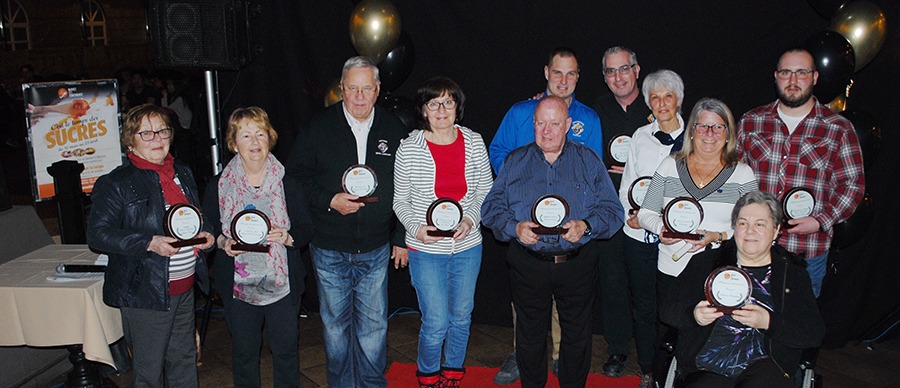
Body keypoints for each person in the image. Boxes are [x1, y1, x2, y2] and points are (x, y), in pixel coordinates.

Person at [482, 96, 623, 388]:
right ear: (533, 124)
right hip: (528, 262)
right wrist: (514, 228)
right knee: (529, 334)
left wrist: (586, 226)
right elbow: (490, 209)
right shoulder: (515, 161)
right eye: (541, 123)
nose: (547, 131)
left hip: (576, 263)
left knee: (577, 335)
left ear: (568, 125)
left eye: (555, 123)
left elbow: (613, 211)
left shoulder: (588, 161)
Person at [285, 56, 408, 388]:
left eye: (366, 88)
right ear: (341, 89)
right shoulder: (317, 128)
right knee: (335, 328)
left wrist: (400, 236)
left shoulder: (394, 130)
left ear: (378, 89)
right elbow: (294, 179)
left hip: (376, 248)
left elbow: (407, 187)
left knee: (374, 329)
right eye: (352, 88)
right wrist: (329, 200)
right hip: (329, 248)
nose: (359, 96)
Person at [87, 104, 215, 387]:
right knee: (149, 373)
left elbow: (196, 216)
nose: (157, 138)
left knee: (184, 362)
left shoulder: (182, 172)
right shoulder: (116, 182)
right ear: (130, 140)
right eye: (146, 133)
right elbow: (97, 234)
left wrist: (208, 233)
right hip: (146, 292)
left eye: (162, 131)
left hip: (185, 287)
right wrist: (149, 242)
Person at [636, 97, 758, 382]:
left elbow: (755, 225)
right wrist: (662, 229)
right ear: (691, 131)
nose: (709, 134)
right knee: (667, 334)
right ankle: (660, 380)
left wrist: (720, 236)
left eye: (718, 127)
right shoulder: (669, 165)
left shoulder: (742, 173)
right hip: (672, 269)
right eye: (703, 126)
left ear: (728, 133)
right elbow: (645, 213)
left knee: (706, 339)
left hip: (718, 272)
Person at [659, 191, 824, 387]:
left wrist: (769, 322)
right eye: (743, 223)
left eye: (760, 224)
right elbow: (668, 308)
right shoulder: (705, 263)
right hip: (706, 365)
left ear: (776, 230)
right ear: (734, 227)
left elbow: (812, 333)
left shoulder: (792, 274)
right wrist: (693, 314)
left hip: (767, 364)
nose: (750, 231)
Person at [737, 47, 865, 298]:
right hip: (753, 247)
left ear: (814, 77)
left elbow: (853, 185)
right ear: (776, 76)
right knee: (748, 315)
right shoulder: (751, 121)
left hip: (807, 252)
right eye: (786, 72)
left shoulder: (838, 128)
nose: (793, 80)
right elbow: (733, 179)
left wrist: (821, 221)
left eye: (802, 73)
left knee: (798, 320)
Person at [201, 107, 314, 388]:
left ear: (270, 138)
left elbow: (306, 228)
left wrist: (288, 237)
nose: (254, 142)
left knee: (286, 353)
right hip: (238, 286)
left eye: (260, 134)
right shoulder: (218, 185)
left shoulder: (288, 182)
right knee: (244, 355)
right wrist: (224, 242)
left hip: (282, 284)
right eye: (246, 135)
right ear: (233, 143)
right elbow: (208, 230)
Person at [392, 77, 493, 387]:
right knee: (435, 321)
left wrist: (470, 220)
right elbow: (400, 200)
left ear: (457, 107)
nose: (441, 110)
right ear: (423, 110)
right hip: (426, 249)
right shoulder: (409, 148)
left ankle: (452, 372)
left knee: (461, 316)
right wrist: (415, 229)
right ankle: (427, 375)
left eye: (448, 102)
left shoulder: (474, 142)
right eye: (433, 103)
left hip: (467, 246)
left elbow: (485, 190)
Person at [614, 68, 687, 385]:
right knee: (643, 307)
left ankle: (675, 368)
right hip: (639, 237)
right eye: (655, 98)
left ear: (678, 99)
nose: (662, 103)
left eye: (668, 96)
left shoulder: (695, 138)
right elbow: (627, 184)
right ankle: (648, 369)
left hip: (676, 240)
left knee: (674, 308)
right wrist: (628, 215)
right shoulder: (640, 137)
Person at [590, 46, 655, 382]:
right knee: (613, 281)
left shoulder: (656, 105)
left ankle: (652, 355)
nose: (618, 77)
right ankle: (617, 349)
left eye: (624, 69)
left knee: (648, 287)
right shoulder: (596, 111)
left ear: (637, 70)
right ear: (604, 77)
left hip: (650, 212)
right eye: (611, 71)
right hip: (610, 212)